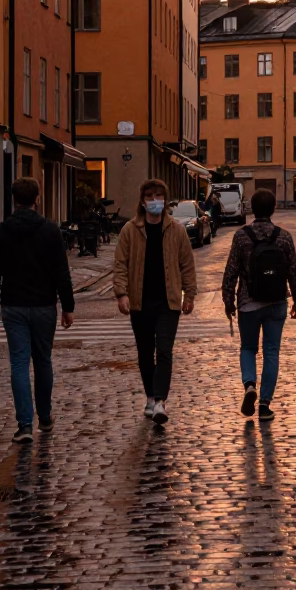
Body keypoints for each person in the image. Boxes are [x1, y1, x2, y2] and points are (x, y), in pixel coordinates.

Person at [0, 176, 75, 444]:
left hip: (13, 306)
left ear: (14, 200)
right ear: (37, 199)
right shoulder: (50, 230)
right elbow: (62, 272)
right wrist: (67, 307)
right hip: (44, 305)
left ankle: (24, 425)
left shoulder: (2, 231)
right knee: (43, 360)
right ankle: (44, 417)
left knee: (19, 363)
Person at [114, 178, 196, 426]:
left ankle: (160, 400)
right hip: (140, 301)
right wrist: (122, 293)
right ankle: (150, 397)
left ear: (165, 200)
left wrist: (189, 294)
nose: (154, 201)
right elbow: (120, 264)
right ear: (142, 201)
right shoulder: (130, 230)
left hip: (168, 301)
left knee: (164, 351)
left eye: (159, 196)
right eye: (150, 197)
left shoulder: (176, 230)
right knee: (144, 352)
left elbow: (187, 264)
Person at [222, 187, 296, 422]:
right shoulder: (284, 236)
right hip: (277, 301)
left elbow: (231, 272)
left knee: (248, 348)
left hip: (248, 303)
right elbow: (294, 272)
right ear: (273, 209)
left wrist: (228, 302)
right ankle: (265, 405)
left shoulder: (241, 236)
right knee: (271, 352)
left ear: (252, 209)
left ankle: (249, 385)